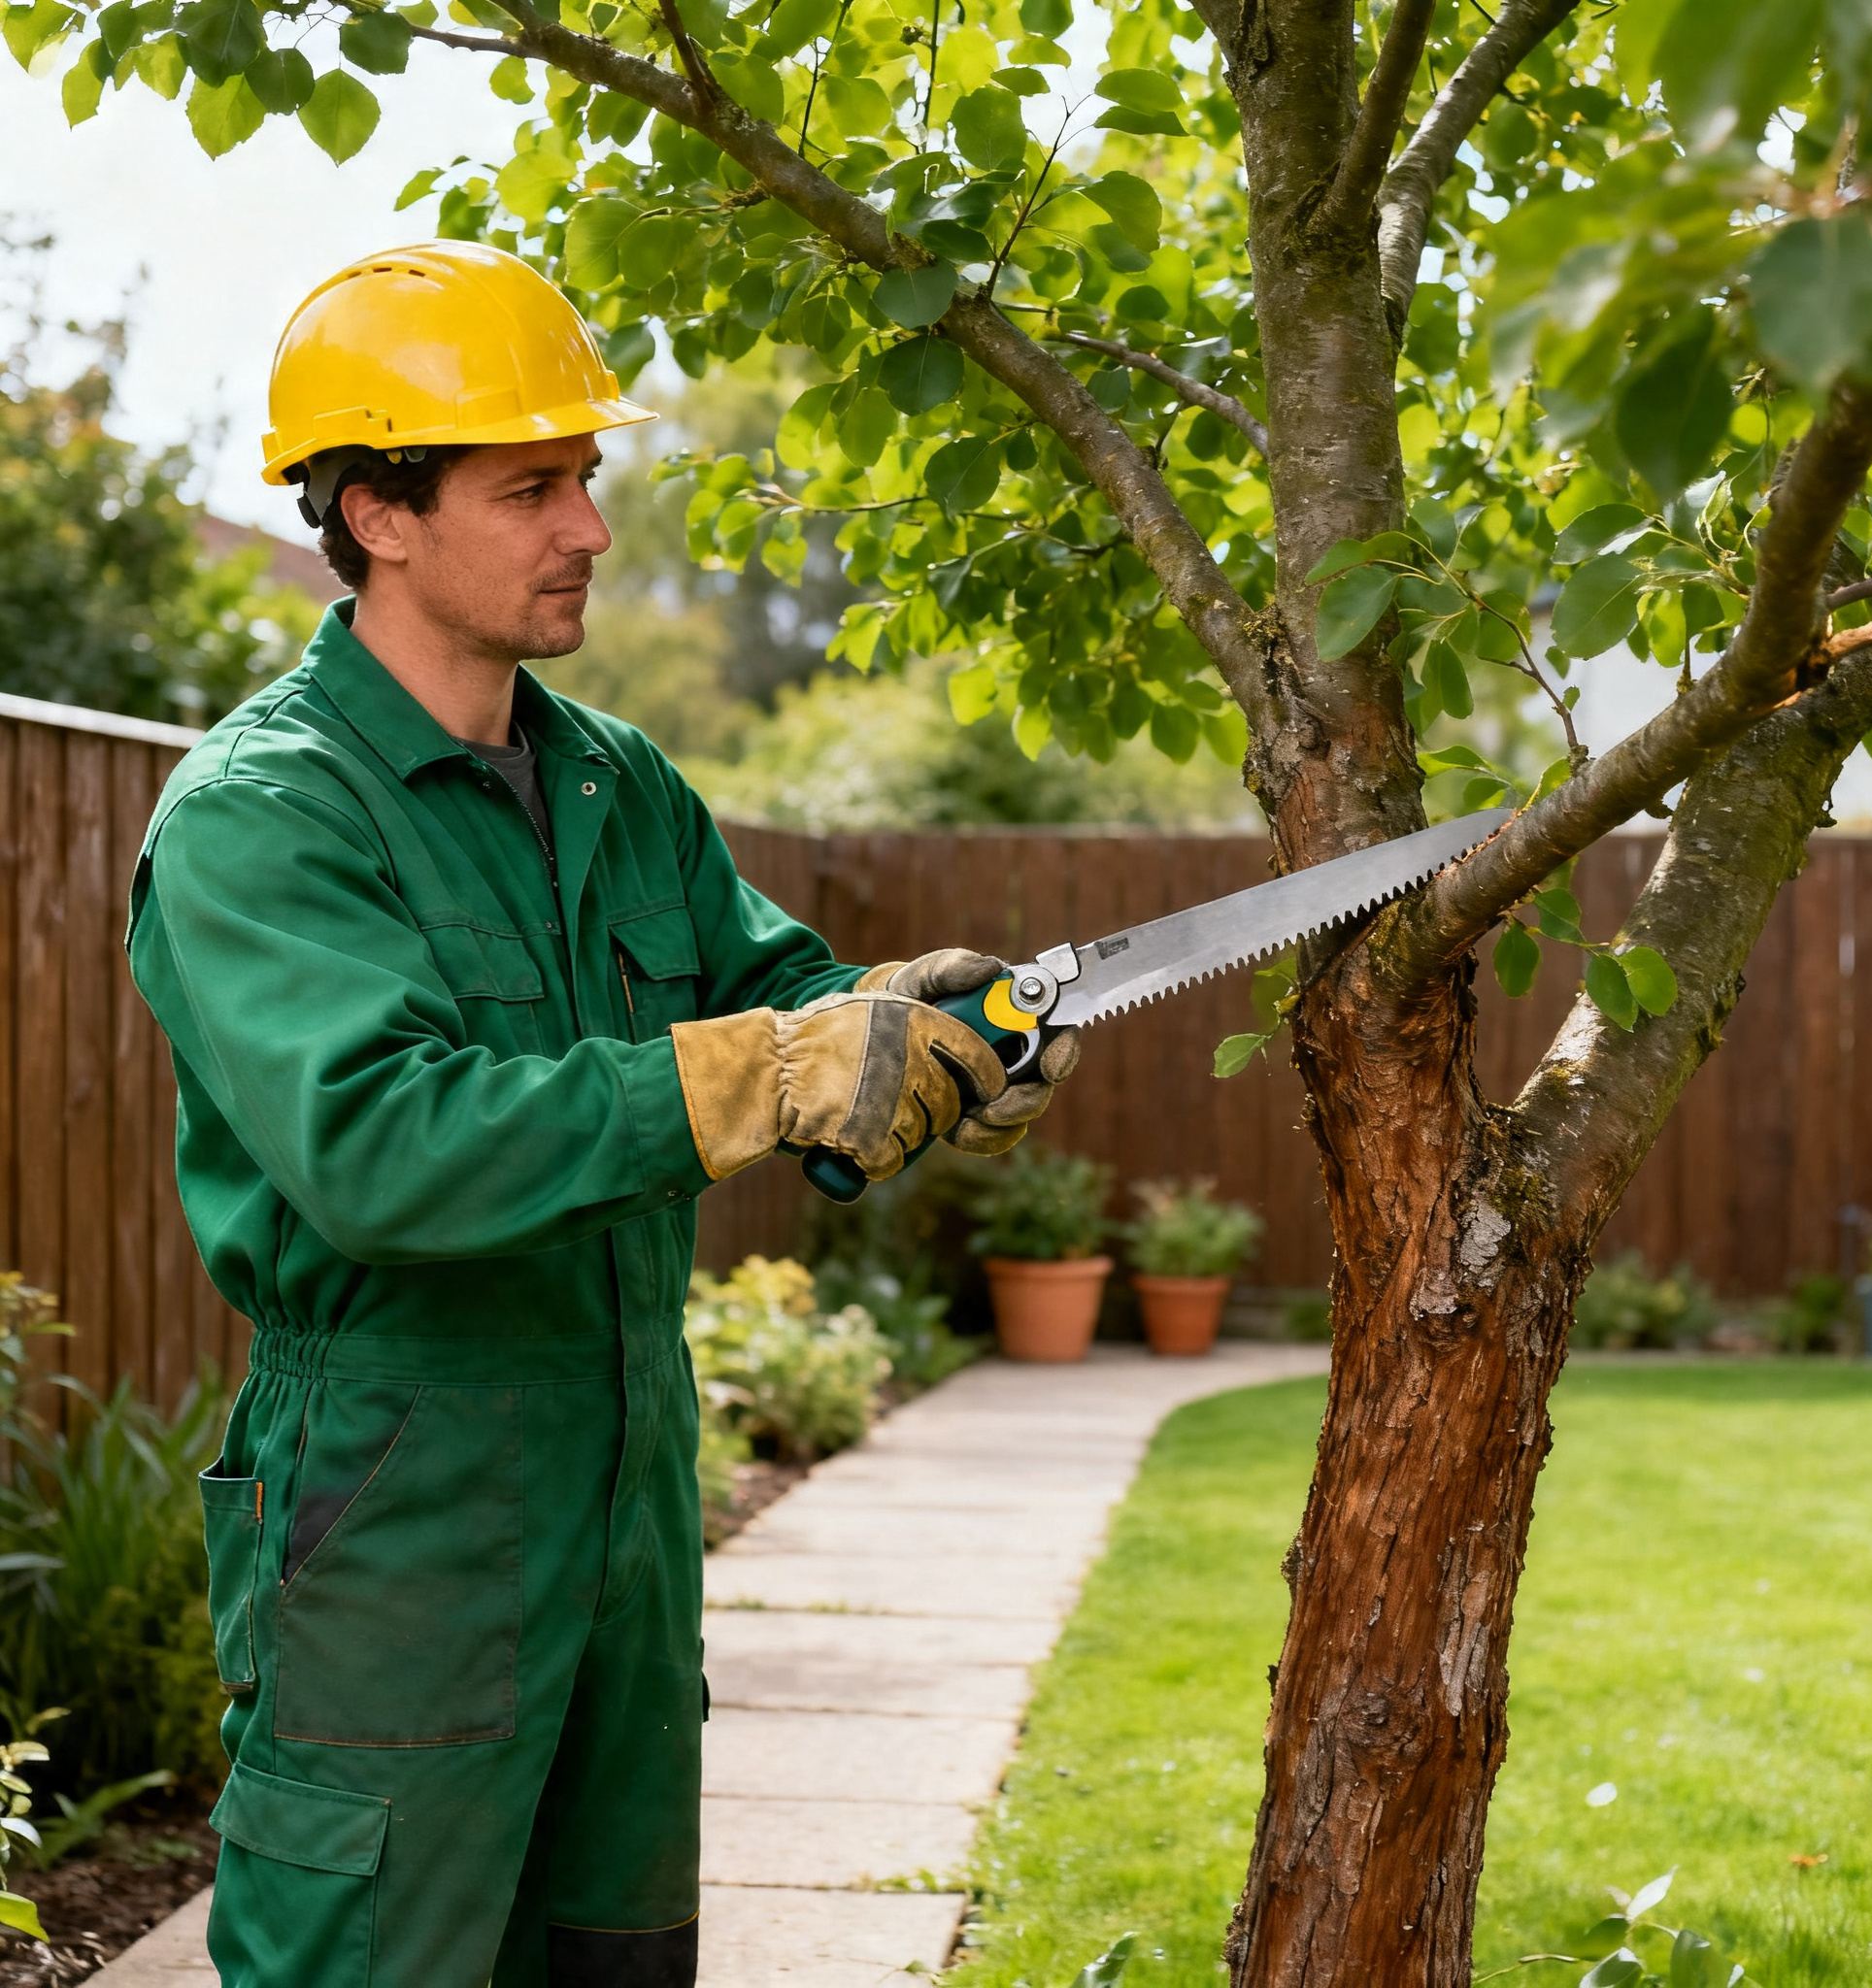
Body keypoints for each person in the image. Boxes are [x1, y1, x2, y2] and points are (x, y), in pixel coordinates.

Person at [125, 241, 1080, 1988]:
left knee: (618, 1966)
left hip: (629, 1518)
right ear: (376, 510)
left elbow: (788, 1007)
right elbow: (382, 1145)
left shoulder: (616, 782)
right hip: (397, 1518)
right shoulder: (263, 816)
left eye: (587, 479)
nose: (590, 527)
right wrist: (760, 1070)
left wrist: (928, 1050)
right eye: (534, 485)